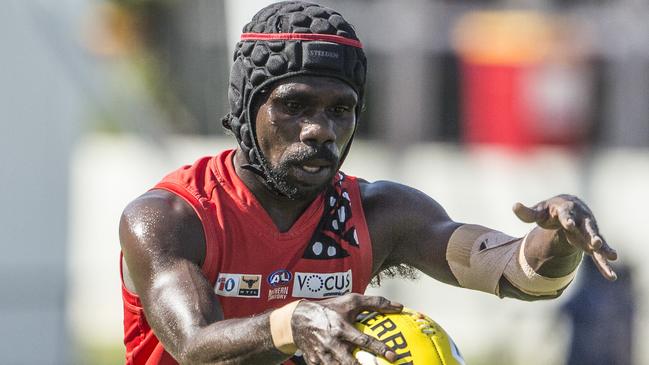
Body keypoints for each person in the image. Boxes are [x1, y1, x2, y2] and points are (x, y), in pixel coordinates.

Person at [119, 2, 618, 364]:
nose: (320, 130)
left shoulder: (377, 213)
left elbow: (518, 275)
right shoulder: (172, 218)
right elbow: (194, 345)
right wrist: (291, 322)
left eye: (340, 110)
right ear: (246, 111)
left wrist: (557, 237)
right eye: (294, 106)